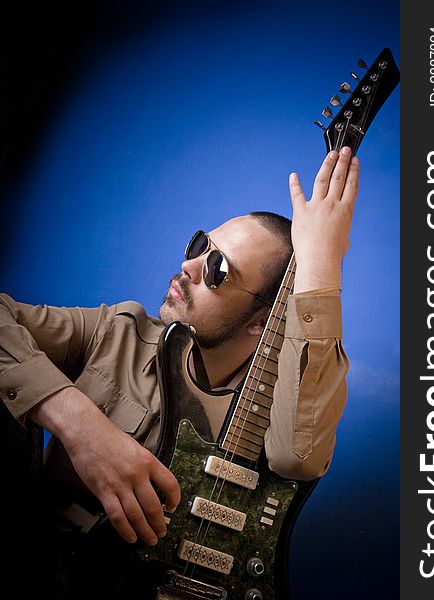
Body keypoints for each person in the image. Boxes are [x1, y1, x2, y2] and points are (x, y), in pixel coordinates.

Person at [0, 147, 359, 595]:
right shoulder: (116, 334)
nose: (188, 266)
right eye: (199, 246)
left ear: (260, 323)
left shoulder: (281, 409)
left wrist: (323, 259)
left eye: (217, 269)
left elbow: (295, 457)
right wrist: (81, 426)